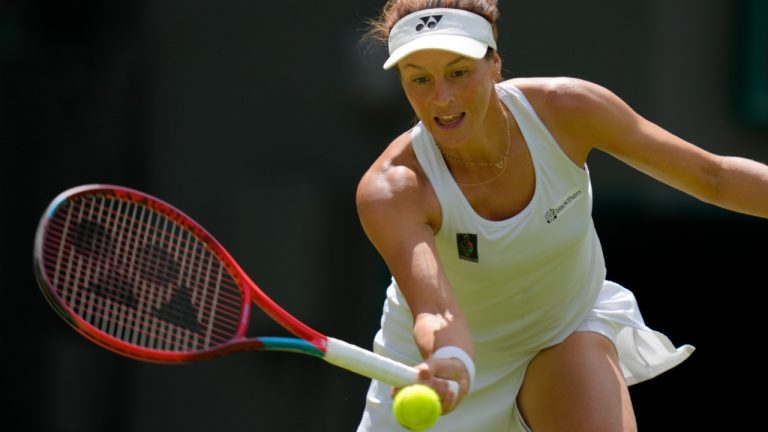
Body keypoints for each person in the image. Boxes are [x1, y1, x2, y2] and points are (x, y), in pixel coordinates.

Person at [354, 0, 768, 431]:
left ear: (494, 63)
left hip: (561, 329)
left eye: (459, 72)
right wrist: (450, 360)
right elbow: (437, 313)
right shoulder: (393, 189)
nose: (442, 97)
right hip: (444, 374)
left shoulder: (565, 110)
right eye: (420, 79)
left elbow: (712, 176)